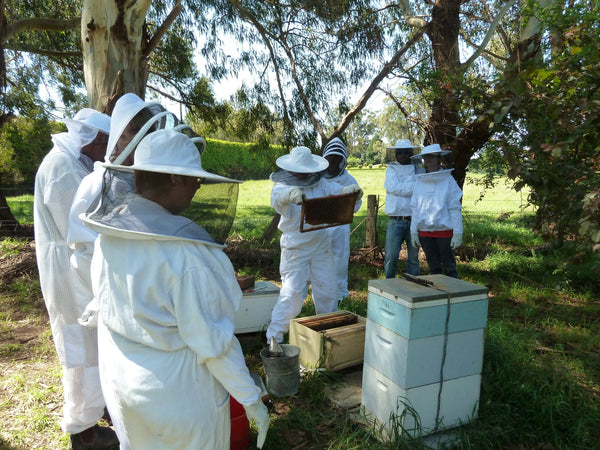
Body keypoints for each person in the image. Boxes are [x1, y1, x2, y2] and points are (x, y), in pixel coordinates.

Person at [82, 129, 269, 449]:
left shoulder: (110, 232)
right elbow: (214, 343)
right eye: (193, 179)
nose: (198, 187)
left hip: (120, 385)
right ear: (174, 179)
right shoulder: (191, 256)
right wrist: (251, 398)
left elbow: (102, 300)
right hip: (178, 399)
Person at [33, 108, 118, 449]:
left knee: (92, 341)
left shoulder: (74, 160)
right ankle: (82, 431)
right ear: (95, 139)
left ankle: (98, 409)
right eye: (107, 143)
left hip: (76, 261)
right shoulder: (61, 167)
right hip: (66, 268)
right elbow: (82, 228)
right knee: (77, 347)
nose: (108, 150)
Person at [67, 93, 170, 328]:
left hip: (148, 303)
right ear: (120, 135)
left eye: (148, 131)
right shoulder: (96, 184)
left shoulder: (145, 179)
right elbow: (84, 253)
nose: (145, 138)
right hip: (113, 303)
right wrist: (112, 294)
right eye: (136, 132)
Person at [266, 146, 363, 344]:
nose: (303, 175)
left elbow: (338, 192)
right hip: (295, 245)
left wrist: (350, 192)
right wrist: (291, 194)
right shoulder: (281, 185)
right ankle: (273, 339)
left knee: (328, 289)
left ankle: (328, 334)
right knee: (292, 293)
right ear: (290, 169)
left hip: (321, 242)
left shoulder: (322, 183)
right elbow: (277, 199)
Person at [410, 143, 463, 278]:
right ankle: (438, 297)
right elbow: (415, 207)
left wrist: (458, 232)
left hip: (444, 232)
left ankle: (455, 296)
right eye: (425, 158)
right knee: (433, 268)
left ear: (439, 159)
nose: (428, 161)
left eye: (431, 157)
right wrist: (413, 231)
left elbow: (454, 208)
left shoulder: (448, 180)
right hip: (425, 232)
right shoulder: (419, 180)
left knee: (449, 267)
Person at [321, 137, 362, 301]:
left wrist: (344, 211)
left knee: (339, 259)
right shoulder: (318, 178)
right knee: (319, 257)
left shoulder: (350, 180)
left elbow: (356, 203)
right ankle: (318, 290)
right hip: (320, 224)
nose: (333, 164)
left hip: (340, 225)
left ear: (342, 161)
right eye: (330, 160)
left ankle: (340, 295)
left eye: (336, 160)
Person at [383, 139, 421, 278]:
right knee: (391, 257)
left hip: (414, 220)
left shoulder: (418, 169)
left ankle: (414, 289)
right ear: (396, 154)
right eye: (400, 153)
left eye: (406, 152)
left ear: (411, 153)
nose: (403, 155)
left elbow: (419, 188)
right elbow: (392, 187)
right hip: (395, 219)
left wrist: (401, 187)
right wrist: (412, 185)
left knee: (413, 259)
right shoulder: (391, 169)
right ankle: (388, 287)